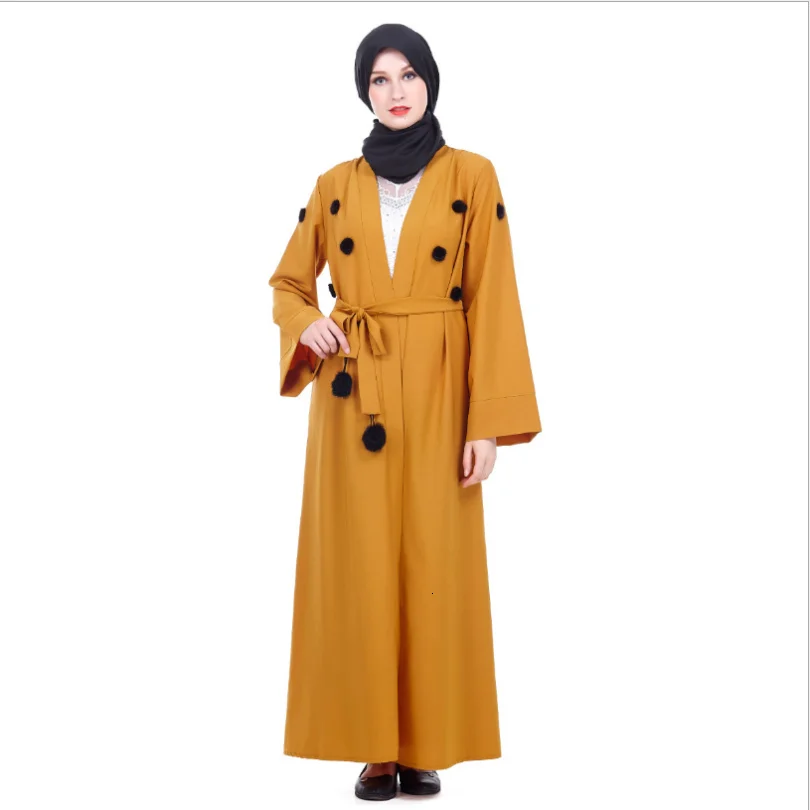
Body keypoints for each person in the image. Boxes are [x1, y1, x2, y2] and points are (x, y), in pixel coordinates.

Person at [267, 22, 542, 801]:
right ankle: (375, 750)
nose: (396, 92)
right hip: (354, 397)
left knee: (433, 565)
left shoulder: (473, 175)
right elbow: (288, 283)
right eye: (379, 79)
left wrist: (486, 423)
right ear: (365, 92)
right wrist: (306, 323)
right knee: (357, 568)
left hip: (440, 391)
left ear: (430, 81)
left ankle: (425, 744)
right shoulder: (333, 184)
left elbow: (493, 298)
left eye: (409, 75)